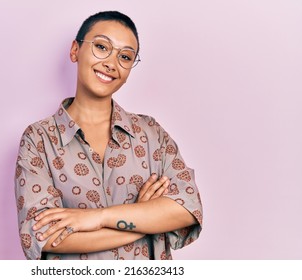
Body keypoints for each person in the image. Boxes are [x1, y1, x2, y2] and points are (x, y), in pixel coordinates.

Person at [15, 11, 203, 260]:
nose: (111, 63)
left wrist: (96, 218)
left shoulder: (150, 134)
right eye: (102, 47)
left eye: (125, 56)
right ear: (75, 50)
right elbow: (43, 235)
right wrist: (144, 219)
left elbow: (187, 208)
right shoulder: (39, 140)